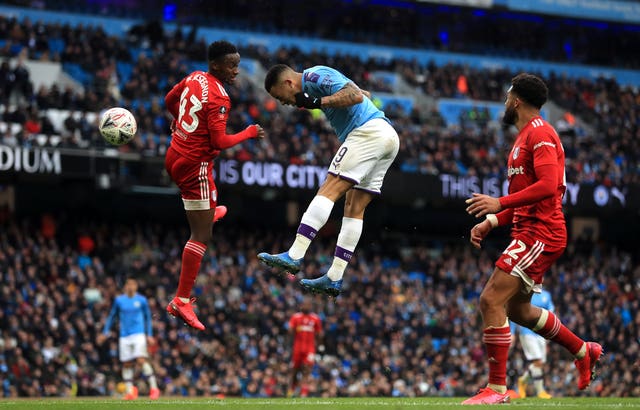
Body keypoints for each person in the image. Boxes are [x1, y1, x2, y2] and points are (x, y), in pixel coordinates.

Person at [463, 73, 602, 405]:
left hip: (541, 232)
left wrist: (500, 203)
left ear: (516, 100)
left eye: (508, 96)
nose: (505, 102)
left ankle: (496, 389)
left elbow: (548, 186)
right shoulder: (525, 137)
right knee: (519, 310)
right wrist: (494, 220)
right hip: (528, 228)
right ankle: (583, 350)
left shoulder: (540, 133)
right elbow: (526, 198)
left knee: (490, 300)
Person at [258, 64, 399, 296]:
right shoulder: (319, 82)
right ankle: (334, 277)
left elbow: (353, 96)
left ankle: (294, 254)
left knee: (329, 189)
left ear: (288, 83)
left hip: (367, 132)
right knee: (354, 207)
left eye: (278, 96)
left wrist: (318, 103)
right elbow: (363, 94)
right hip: (387, 136)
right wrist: (329, 98)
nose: (282, 102)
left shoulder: (313, 77)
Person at [163, 40, 265, 330]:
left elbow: (170, 100)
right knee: (201, 235)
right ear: (216, 65)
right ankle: (181, 300)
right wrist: (247, 132)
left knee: (211, 193)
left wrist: (178, 122)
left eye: (238, 64)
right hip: (195, 167)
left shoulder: (194, 76)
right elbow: (220, 141)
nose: (236, 70)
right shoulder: (220, 97)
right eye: (232, 65)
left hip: (175, 153)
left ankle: (210, 211)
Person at [98, 278, 160, 400]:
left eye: (133, 284)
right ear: (125, 286)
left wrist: (149, 334)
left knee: (141, 360)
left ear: (136, 286)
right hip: (124, 335)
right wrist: (105, 332)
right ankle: (130, 391)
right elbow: (112, 316)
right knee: (126, 364)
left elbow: (148, 317)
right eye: (129, 284)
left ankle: (154, 388)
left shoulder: (141, 300)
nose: (131, 286)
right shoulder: (119, 300)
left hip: (138, 334)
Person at [511, 289, 554, 399]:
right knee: (538, 361)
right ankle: (540, 392)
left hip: (541, 333)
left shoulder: (546, 295)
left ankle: (522, 381)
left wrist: (551, 332)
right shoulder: (523, 294)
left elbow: (551, 313)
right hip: (527, 331)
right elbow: (514, 313)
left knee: (539, 364)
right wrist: (512, 332)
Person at [288, 297, 323, 397]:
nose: (305, 306)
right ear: (301, 306)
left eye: (308, 305)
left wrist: (320, 345)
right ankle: (292, 388)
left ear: (311, 306)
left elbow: (320, 333)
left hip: (309, 349)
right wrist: (291, 331)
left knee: (307, 369)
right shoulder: (296, 317)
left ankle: (304, 392)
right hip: (297, 348)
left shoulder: (315, 318)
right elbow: (290, 329)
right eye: (304, 304)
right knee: (295, 370)